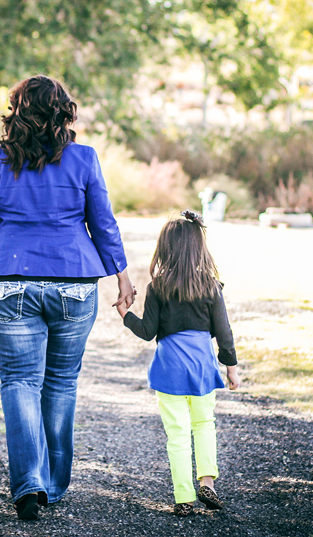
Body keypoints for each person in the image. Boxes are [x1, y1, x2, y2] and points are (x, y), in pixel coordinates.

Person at [0, 75, 136, 521]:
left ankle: (27, 484)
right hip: (73, 280)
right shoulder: (85, 159)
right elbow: (103, 222)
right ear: (63, 112)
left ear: (16, 112)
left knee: (19, 381)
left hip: (11, 281)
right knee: (62, 382)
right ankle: (52, 483)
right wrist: (122, 276)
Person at [116, 210, 241, 517]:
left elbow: (147, 332)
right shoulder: (212, 286)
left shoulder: (158, 286)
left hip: (170, 367)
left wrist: (124, 314)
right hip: (201, 366)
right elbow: (224, 332)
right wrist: (231, 368)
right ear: (199, 246)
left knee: (177, 433)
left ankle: (183, 497)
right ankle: (208, 482)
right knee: (204, 425)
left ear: (166, 248)